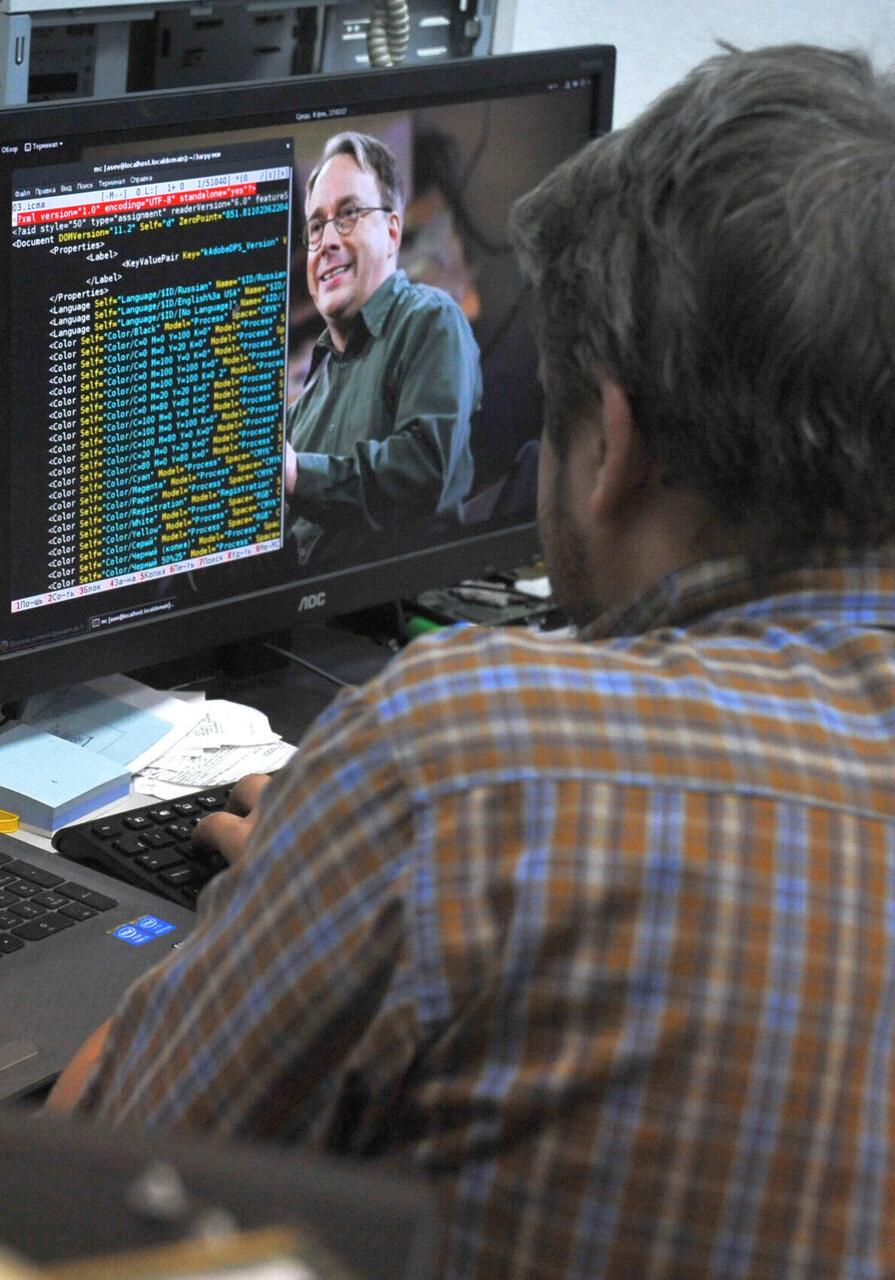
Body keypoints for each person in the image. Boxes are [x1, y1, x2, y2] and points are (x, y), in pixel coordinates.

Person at [55, 45, 895, 1279]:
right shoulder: (320, 365)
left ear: (611, 444)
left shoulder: (463, 762)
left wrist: (304, 883)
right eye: (314, 221)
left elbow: (81, 1186)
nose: (325, 241)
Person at [284, 131, 481, 566]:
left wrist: (298, 475)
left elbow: (423, 473)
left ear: (393, 232)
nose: (326, 242)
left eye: (348, 214)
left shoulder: (431, 320)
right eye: (315, 227)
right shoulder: (304, 403)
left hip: (396, 597)